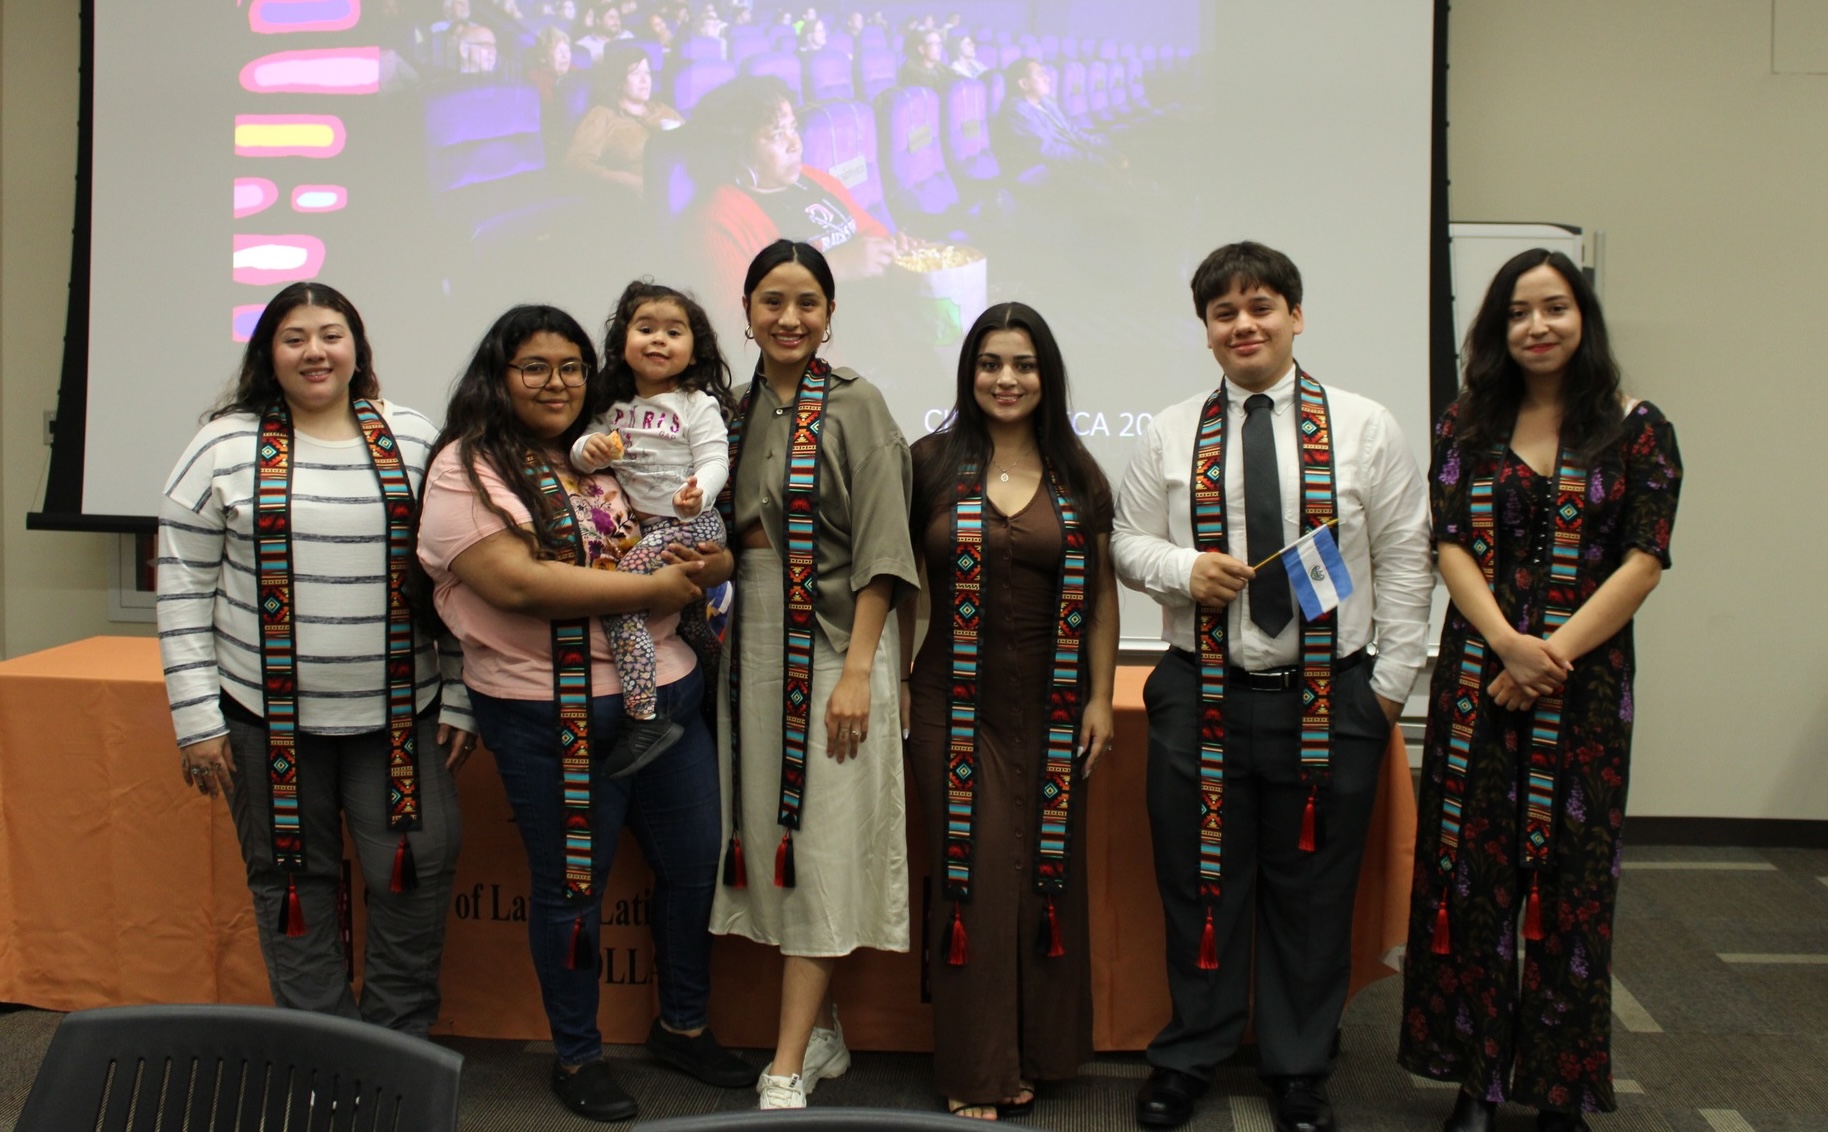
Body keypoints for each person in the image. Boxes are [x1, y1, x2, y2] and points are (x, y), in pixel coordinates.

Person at [1112, 242, 1432, 1132]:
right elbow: (1126, 542)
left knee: (1314, 889)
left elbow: (1407, 554)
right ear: (1207, 330)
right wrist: (1183, 568)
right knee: (1200, 880)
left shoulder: (1366, 425)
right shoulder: (1171, 431)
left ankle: (1300, 1068)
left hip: (1334, 700)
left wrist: (1393, 684)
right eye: (1224, 312)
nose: (1243, 324)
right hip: (1200, 693)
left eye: (1260, 307)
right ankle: (1192, 1056)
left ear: (1296, 314)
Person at [416, 305, 756, 1122]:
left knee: (689, 869)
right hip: (549, 716)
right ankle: (577, 1056)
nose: (557, 382)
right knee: (573, 890)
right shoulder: (469, 467)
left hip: (670, 697)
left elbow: (686, 530)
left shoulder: (605, 449)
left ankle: (682, 1024)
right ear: (498, 377)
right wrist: (660, 588)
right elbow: (519, 584)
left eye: (570, 366)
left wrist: (711, 560)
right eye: (535, 366)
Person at [1398, 250, 1682, 1132]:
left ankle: (1559, 1088)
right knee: (1471, 881)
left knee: (1570, 886)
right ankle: (1476, 1082)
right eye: (1519, 312)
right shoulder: (1467, 423)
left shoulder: (1637, 428)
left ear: (1583, 318)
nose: (1538, 326)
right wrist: (1508, 645)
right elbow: (1448, 544)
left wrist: (1547, 655)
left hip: (1584, 694)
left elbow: (1644, 560)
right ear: (1497, 329)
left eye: (1555, 308)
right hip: (1480, 678)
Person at [157, 282, 471, 1037]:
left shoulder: (414, 436)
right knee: (291, 884)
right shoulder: (221, 445)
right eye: (294, 337)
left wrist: (459, 692)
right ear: (269, 353)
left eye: (330, 334)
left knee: (415, 875)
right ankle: (323, 1054)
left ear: (357, 346)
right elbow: (180, 588)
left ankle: (398, 1051)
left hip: (402, 719)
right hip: (265, 724)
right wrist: (198, 722)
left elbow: (455, 573)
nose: (314, 351)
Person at [708, 240, 918, 1111]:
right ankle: (822, 1030)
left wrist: (861, 669)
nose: (788, 319)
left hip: (834, 641)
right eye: (771, 301)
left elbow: (883, 547)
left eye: (807, 303)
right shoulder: (723, 410)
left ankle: (786, 1060)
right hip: (746, 641)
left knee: (822, 847)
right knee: (769, 842)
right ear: (747, 310)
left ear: (832, 314)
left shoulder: (857, 405)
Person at [899, 302, 1118, 1120]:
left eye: (1023, 364)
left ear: (1046, 376)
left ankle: (1040, 1053)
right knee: (977, 882)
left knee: (1044, 881)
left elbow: (1100, 598)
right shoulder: (928, 463)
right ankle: (977, 1069)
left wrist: (1100, 695)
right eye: (991, 363)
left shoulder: (1079, 473)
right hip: (952, 708)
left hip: (1057, 708)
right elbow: (889, 582)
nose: (1006, 379)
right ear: (970, 374)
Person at [570, 281, 737, 766]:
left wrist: (699, 491)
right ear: (623, 343)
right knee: (667, 618)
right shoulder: (610, 408)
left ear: (694, 350)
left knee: (621, 603)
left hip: (691, 524)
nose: (658, 340)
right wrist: (589, 449)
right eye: (645, 329)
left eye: (673, 332)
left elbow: (715, 460)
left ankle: (645, 719)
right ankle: (672, 710)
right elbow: (581, 454)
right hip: (650, 531)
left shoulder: (695, 403)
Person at [684, 75, 913, 321]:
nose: (795, 144)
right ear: (738, 150)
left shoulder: (813, 178)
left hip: (885, 313)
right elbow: (740, 325)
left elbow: (871, 230)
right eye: (776, 135)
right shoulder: (719, 220)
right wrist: (830, 268)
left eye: (793, 128)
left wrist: (894, 249)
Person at [564, 44, 682, 196]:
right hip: (643, 196)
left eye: (647, 73)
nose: (645, 80)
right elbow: (574, 163)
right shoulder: (603, 116)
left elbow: (694, 143)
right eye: (635, 74)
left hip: (684, 185)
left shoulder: (663, 110)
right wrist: (623, 178)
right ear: (618, 82)